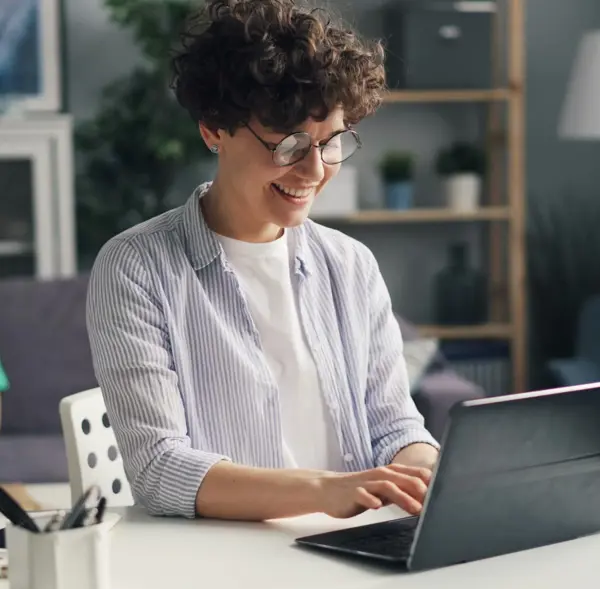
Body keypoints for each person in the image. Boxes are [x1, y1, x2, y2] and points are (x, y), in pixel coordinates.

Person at [86, 0, 440, 523]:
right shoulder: (136, 267)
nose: (315, 170)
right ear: (213, 130)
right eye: (290, 144)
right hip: (224, 562)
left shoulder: (350, 264)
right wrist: (326, 491)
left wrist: (422, 471)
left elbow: (395, 428)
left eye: (332, 142)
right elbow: (161, 469)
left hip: (358, 547)